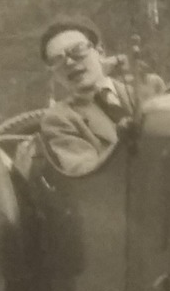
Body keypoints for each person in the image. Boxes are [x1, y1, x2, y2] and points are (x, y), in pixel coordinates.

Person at [37, 15, 137, 175]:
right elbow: (86, 174)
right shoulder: (59, 119)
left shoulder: (143, 93)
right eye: (57, 59)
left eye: (77, 51)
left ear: (100, 51)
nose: (69, 62)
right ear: (54, 74)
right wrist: (122, 146)